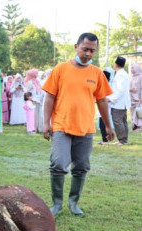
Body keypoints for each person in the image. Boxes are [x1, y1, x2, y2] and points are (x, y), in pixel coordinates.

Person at [42, 32, 114, 217]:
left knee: (81, 166)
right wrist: (46, 123)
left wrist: (108, 125)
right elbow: (49, 97)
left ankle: (74, 203)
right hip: (61, 126)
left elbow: (102, 101)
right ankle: (57, 203)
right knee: (58, 163)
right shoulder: (60, 69)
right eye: (85, 49)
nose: (88, 54)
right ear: (76, 47)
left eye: (92, 51)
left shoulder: (97, 73)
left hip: (85, 129)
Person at [107, 56, 131, 145]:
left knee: (118, 121)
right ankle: (124, 139)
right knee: (123, 121)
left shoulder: (120, 74)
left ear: (116, 64)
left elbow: (120, 90)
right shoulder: (123, 73)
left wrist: (111, 98)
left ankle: (122, 140)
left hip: (119, 103)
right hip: (121, 102)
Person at [98, 68, 114, 145]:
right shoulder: (107, 85)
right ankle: (105, 139)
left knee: (103, 124)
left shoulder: (105, 86)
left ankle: (105, 140)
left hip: (104, 109)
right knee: (102, 124)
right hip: (104, 108)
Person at [129, 63, 142, 132]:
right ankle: (134, 125)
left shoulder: (141, 76)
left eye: (133, 68)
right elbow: (128, 86)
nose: (132, 69)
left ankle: (138, 126)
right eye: (131, 68)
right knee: (132, 112)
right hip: (131, 97)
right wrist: (130, 90)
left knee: (138, 112)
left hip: (138, 97)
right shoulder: (131, 77)